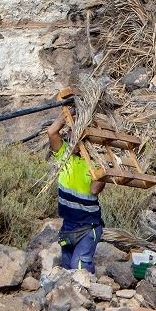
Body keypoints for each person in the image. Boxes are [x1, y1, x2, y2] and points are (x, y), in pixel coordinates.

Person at [46, 113, 107, 273]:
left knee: (79, 267)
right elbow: (52, 132)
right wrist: (67, 114)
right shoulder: (64, 155)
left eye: (76, 133)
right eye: (70, 132)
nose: (71, 136)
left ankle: (87, 293)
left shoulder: (95, 164)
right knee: (67, 268)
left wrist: (105, 172)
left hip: (89, 226)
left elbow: (94, 189)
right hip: (68, 225)